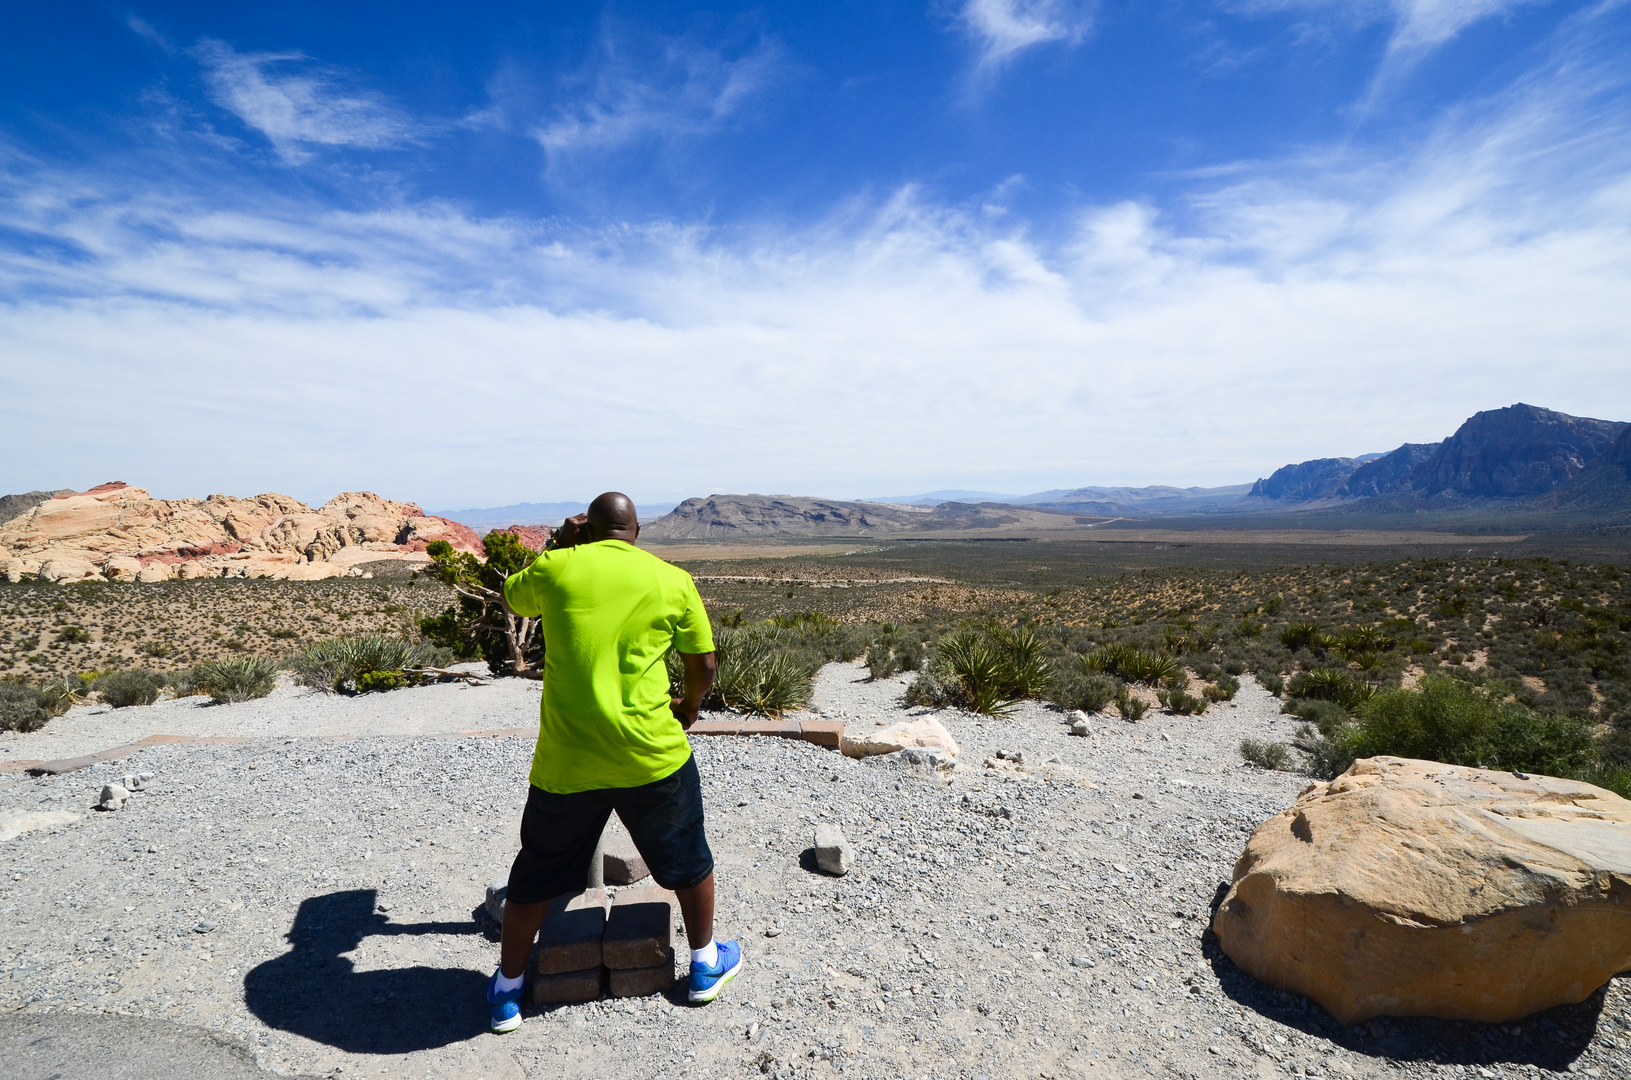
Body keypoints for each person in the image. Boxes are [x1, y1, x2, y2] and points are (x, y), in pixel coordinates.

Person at [484, 491, 741, 1033]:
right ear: (637, 531)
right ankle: (703, 966)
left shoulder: (558, 567)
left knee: (534, 875)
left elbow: (512, 597)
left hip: (568, 761)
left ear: (589, 529)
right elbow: (706, 663)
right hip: (650, 753)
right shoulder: (671, 579)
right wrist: (688, 708)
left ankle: (507, 992)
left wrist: (559, 543)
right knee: (689, 860)